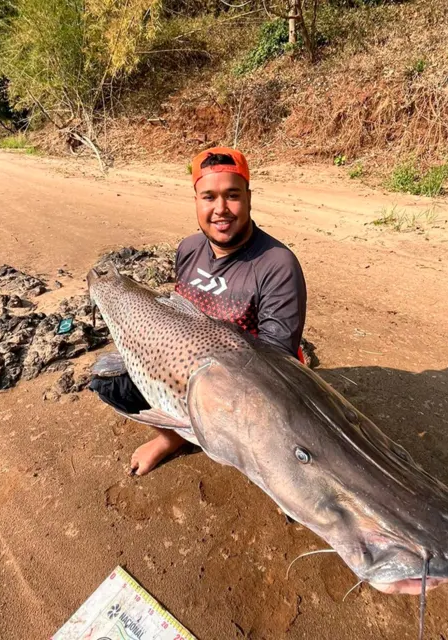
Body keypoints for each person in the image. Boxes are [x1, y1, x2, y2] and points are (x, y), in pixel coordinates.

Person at [89, 146, 308, 476]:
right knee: (108, 383)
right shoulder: (189, 248)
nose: (221, 209)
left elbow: (275, 363)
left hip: (245, 383)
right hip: (183, 371)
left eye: (232, 195)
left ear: (248, 197)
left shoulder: (277, 264)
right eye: (209, 197)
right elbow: (179, 312)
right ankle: (172, 437)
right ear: (196, 200)